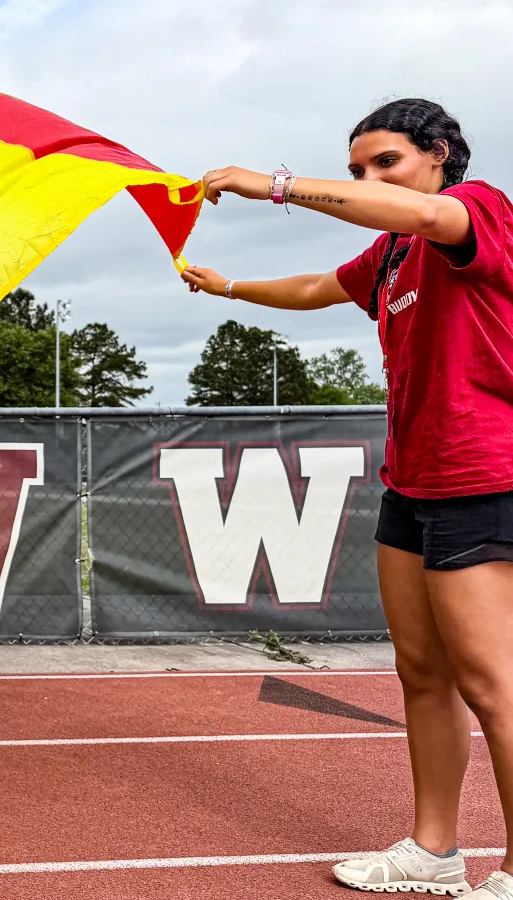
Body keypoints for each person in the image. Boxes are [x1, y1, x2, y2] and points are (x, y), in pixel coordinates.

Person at [182, 99, 513, 899]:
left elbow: (421, 210)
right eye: (360, 167)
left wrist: (276, 187)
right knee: (422, 673)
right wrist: (230, 287)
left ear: (438, 153)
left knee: (491, 680)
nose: (370, 179)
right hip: (412, 479)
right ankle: (434, 852)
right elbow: (317, 286)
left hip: (483, 474)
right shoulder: (393, 253)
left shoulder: (475, 209)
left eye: (386, 162)